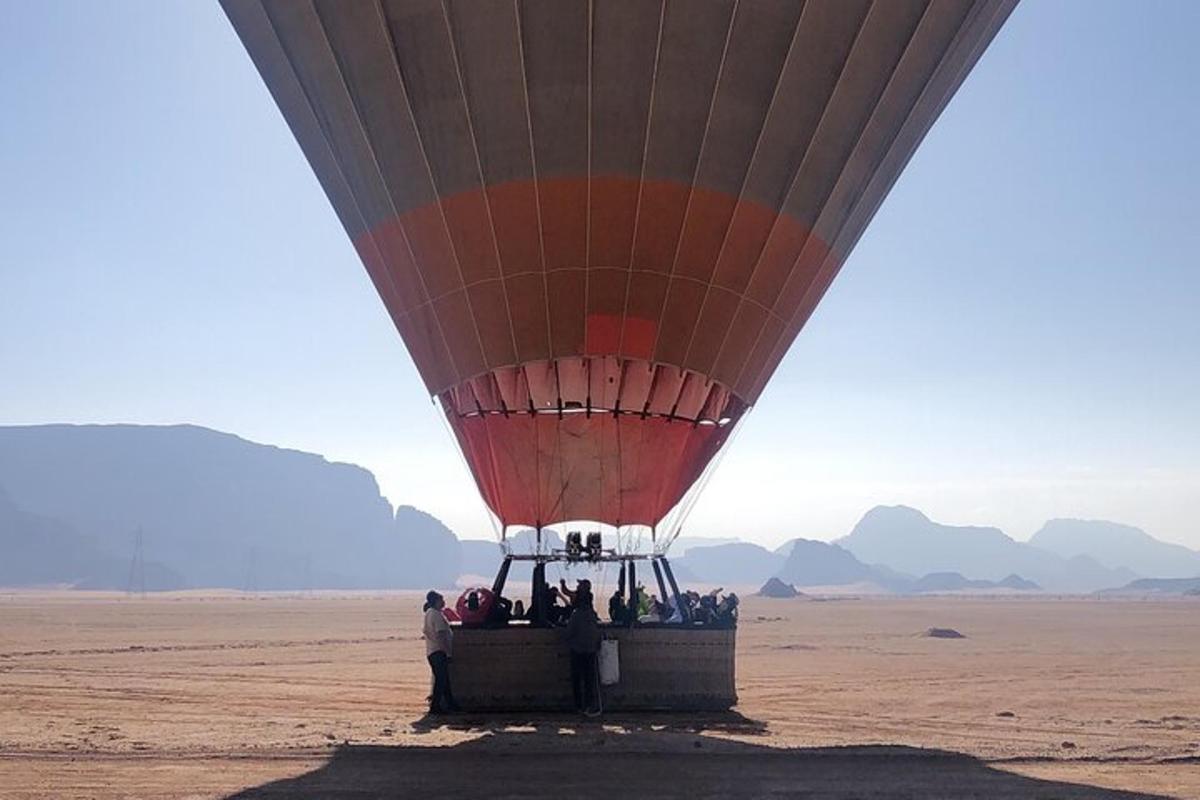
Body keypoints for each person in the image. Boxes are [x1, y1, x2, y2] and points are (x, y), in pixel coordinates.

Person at [565, 588, 602, 716]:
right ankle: (589, 705)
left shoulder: (576, 614)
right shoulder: (592, 614)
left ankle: (579, 706)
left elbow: (569, 632)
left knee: (577, 679)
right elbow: (597, 631)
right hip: (591, 650)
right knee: (589, 679)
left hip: (578, 650)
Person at [422, 590, 459, 714]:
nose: (443, 602)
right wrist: (447, 652)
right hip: (438, 651)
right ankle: (435, 707)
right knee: (441, 680)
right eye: (441, 600)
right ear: (436, 602)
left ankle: (451, 705)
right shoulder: (436, 615)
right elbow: (441, 635)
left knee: (444, 680)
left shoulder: (429, 613)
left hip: (433, 651)